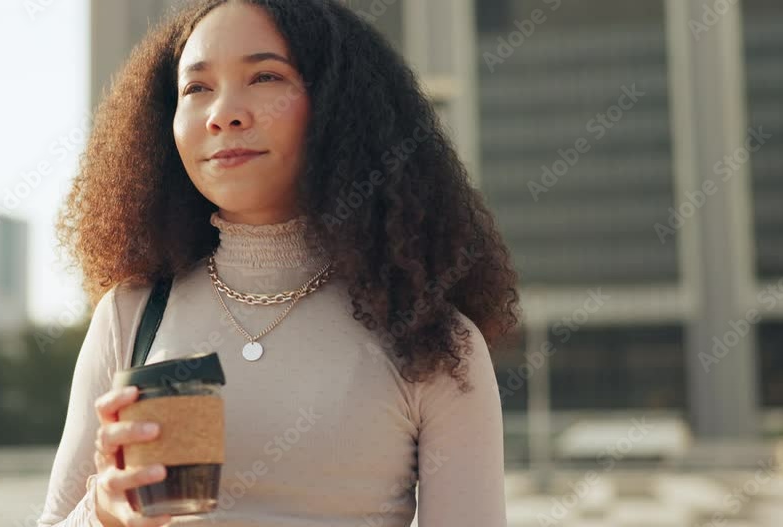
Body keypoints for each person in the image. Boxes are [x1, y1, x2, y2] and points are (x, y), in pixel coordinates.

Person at [40, 0, 520, 525]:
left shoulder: (435, 339)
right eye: (197, 87)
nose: (224, 112)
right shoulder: (130, 315)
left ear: (340, 106)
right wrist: (103, 512)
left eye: (265, 76)